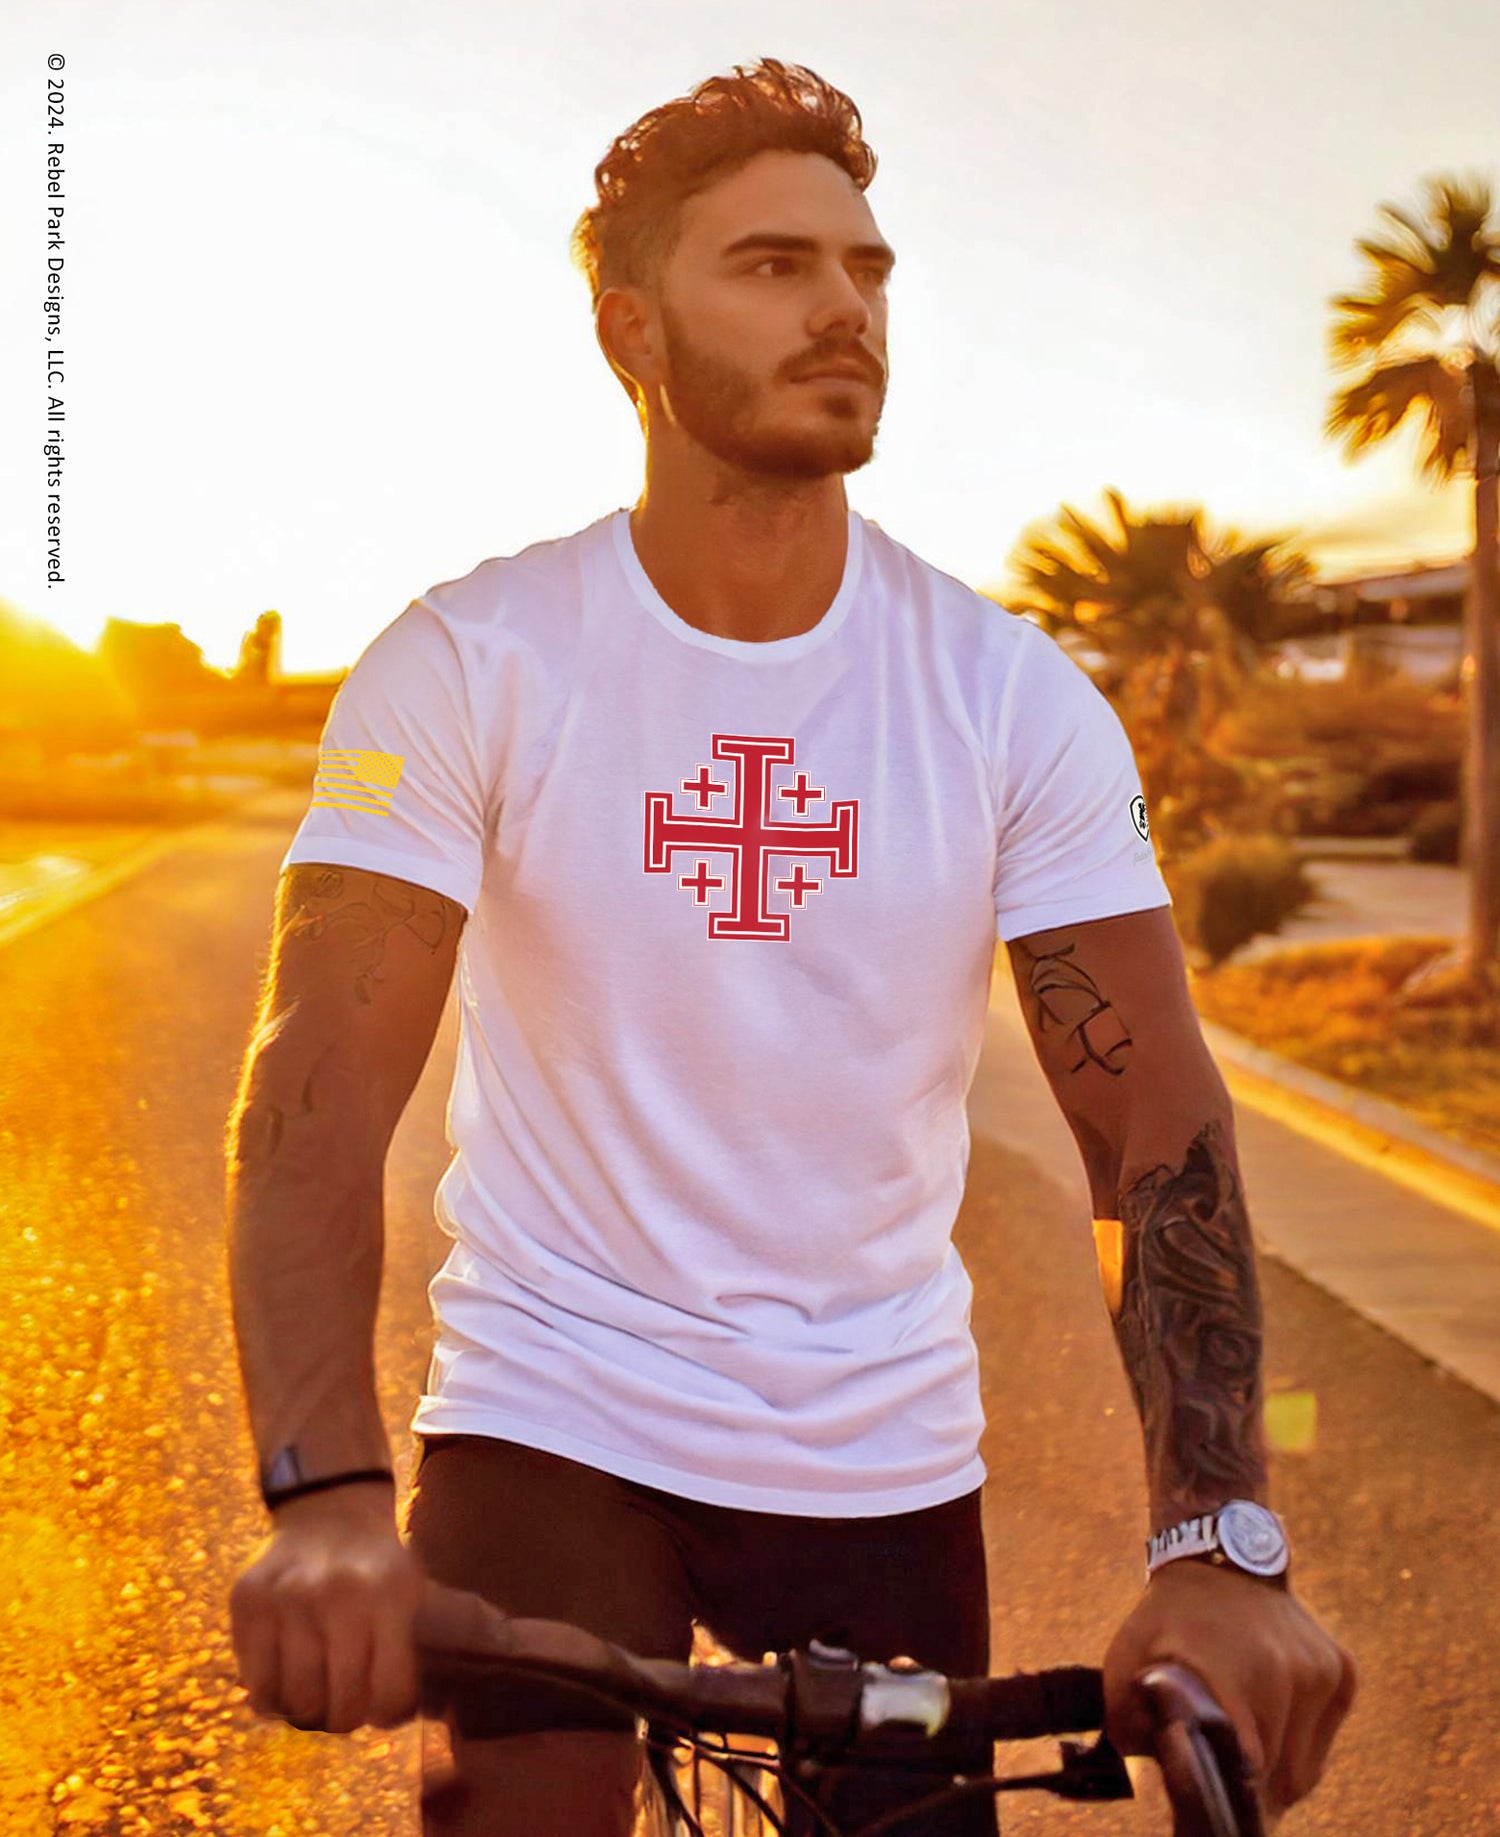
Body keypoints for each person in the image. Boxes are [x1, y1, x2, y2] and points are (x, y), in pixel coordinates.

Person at [225, 56, 1357, 1837]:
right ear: (630, 332)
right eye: (770, 265)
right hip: (550, 1412)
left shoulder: (1010, 698)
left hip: (879, 1438)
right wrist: (326, 1495)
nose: (843, 305)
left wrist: (1218, 1537)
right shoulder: (467, 659)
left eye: (868, 268)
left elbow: (1153, 1129)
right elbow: (315, 1081)